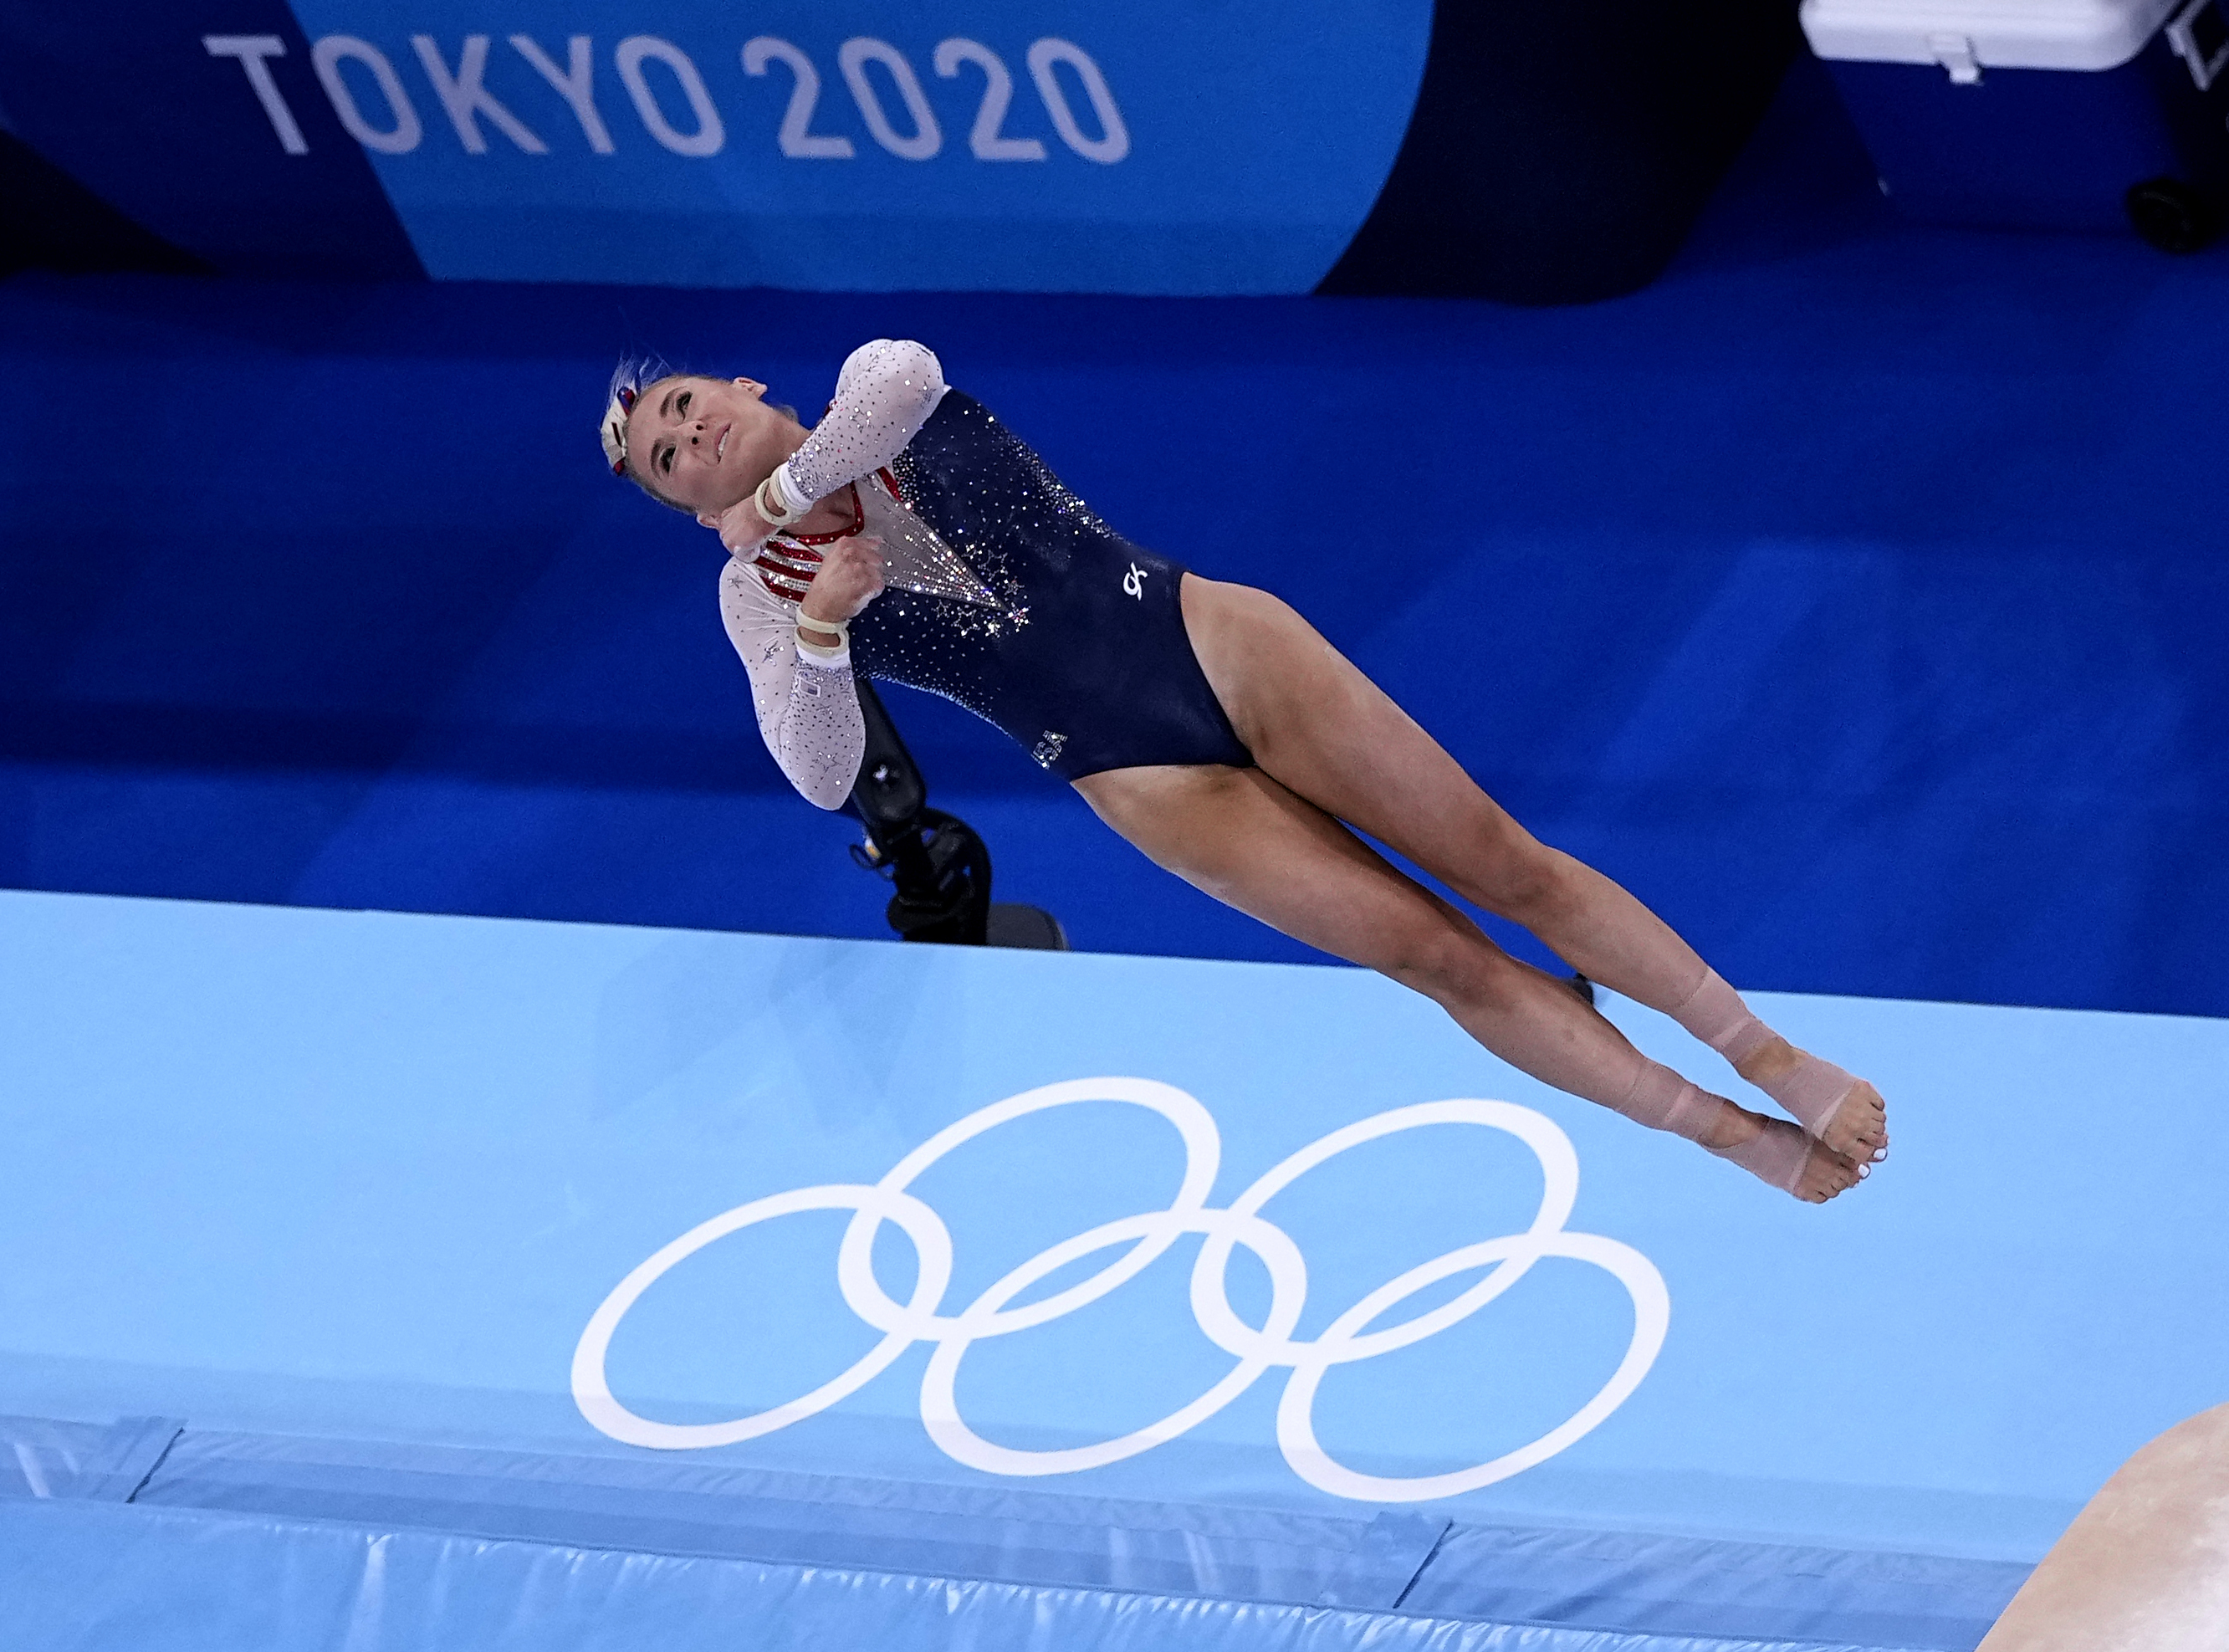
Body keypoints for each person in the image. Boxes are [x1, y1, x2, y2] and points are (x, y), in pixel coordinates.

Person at [601, 340, 1887, 1201]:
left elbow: (905, 385)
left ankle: (1771, 1057)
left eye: (679, 404)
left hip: (1209, 638)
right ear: (680, 509)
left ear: (740, 382)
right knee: (1435, 956)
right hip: (1130, 769)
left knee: (1506, 866)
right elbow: (822, 774)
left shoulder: (867, 384)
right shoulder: (757, 602)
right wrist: (820, 625)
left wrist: (777, 500)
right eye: (667, 458)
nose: (688, 432)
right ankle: (1733, 1135)